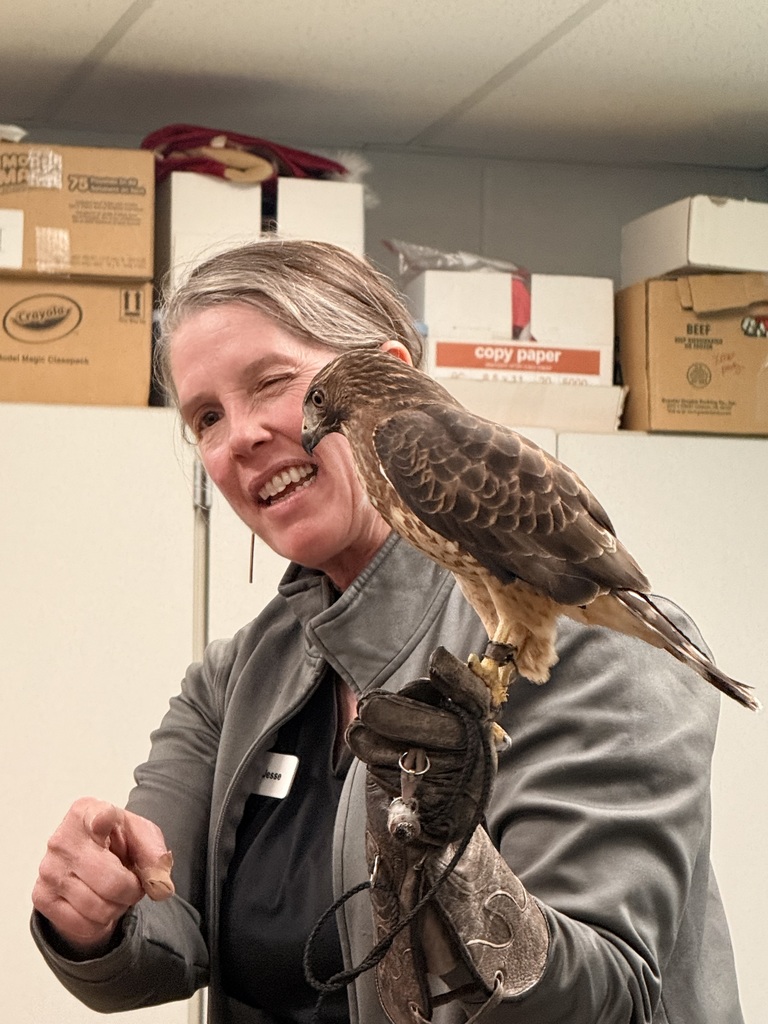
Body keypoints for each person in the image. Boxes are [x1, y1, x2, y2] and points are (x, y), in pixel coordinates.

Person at [31, 239, 745, 1024]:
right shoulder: (234, 680)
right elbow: (164, 931)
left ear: (387, 375)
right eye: (207, 417)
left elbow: (608, 998)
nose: (241, 436)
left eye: (272, 383)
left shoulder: (585, 646)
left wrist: (450, 864)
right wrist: (93, 912)